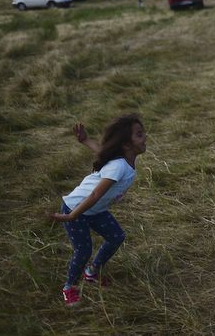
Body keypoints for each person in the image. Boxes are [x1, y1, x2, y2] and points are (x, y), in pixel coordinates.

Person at [48, 114, 147, 306]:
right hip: (77, 208)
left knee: (117, 236)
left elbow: (102, 151)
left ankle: (91, 272)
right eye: (139, 134)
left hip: (95, 210)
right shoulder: (119, 167)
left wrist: (85, 140)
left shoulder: (121, 159)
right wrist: (71, 216)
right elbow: (94, 195)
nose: (145, 137)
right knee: (83, 250)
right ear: (126, 144)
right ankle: (69, 287)